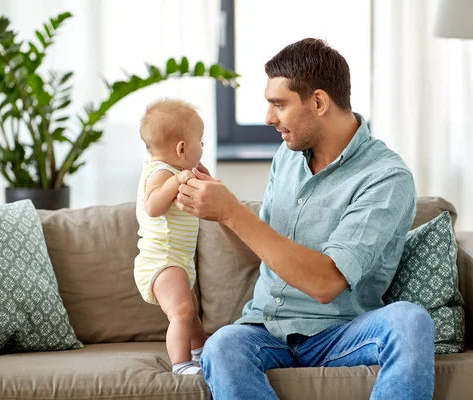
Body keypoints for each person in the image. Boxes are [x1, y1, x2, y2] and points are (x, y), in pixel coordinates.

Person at [176, 38, 435, 398]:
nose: (269, 118)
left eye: (278, 104)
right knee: (222, 345)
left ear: (318, 101)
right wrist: (222, 211)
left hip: (342, 331)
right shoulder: (287, 155)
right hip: (264, 330)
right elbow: (260, 251)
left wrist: (233, 211)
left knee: (409, 320)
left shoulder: (385, 176)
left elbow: (327, 283)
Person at [134, 98, 208, 375]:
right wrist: (175, 182)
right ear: (181, 148)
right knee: (181, 312)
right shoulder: (162, 172)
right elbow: (153, 206)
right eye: (201, 140)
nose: (203, 146)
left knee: (191, 314)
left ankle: (201, 353)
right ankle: (181, 364)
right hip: (161, 260)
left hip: (176, 260)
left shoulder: (176, 170)